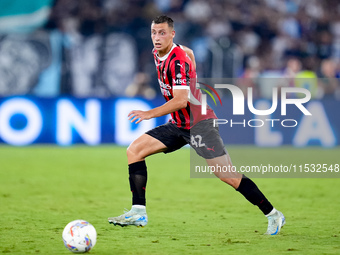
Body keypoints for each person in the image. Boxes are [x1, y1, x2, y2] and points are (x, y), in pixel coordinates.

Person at [108, 15, 285, 235]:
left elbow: (181, 100)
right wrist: (194, 74)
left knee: (228, 176)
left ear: (172, 34)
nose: (157, 37)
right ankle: (138, 211)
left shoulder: (177, 60)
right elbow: (189, 52)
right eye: (154, 32)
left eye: (162, 33)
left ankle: (273, 214)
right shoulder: (159, 52)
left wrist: (149, 113)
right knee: (134, 150)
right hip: (179, 125)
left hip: (201, 125)